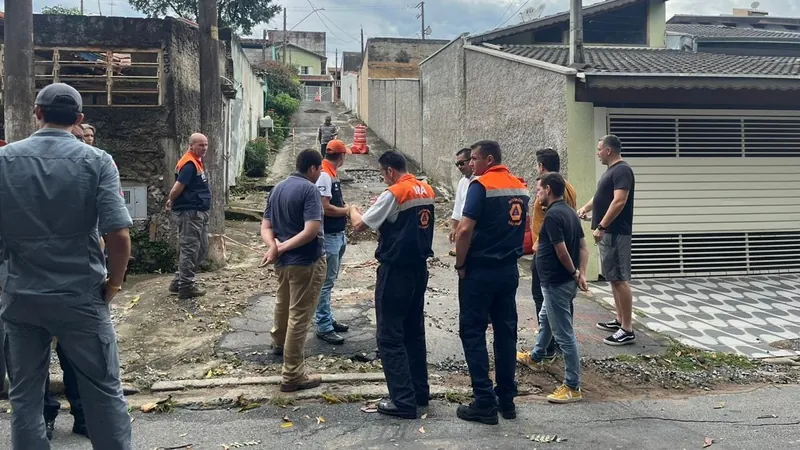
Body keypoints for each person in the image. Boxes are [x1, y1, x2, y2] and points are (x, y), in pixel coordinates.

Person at [0, 82, 133, 449]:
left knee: (25, 397)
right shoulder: (97, 161)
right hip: (81, 296)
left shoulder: (5, 160)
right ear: (78, 119)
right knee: (104, 392)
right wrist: (115, 284)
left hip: (21, 297)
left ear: (37, 113)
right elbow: (119, 236)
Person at [349, 151, 434, 420]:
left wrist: (352, 209)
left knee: (389, 336)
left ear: (388, 171)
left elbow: (360, 225)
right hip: (419, 268)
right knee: (413, 332)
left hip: (396, 270)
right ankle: (420, 392)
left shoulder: (395, 193)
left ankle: (403, 400)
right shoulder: (426, 189)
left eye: (382, 174)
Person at [453, 140, 530, 425]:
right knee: (506, 333)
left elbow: (464, 230)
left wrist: (461, 264)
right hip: (508, 271)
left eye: (473, 159)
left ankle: (484, 401)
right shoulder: (520, 187)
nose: (470, 164)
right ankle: (506, 400)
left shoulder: (481, 186)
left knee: (472, 332)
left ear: (488, 158)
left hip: (480, 271)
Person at [261, 149, 327, 392]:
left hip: (283, 262)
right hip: (306, 261)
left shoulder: (277, 188)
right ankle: (292, 374)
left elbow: (266, 225)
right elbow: (311, 230)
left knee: (283, 302)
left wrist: (274, 247)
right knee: (300, 314)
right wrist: (280, 248)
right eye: (319, 169)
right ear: (312, 168)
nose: (320, 174)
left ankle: (279, 343)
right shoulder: (309, 190)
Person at [529, 173, 589, 403]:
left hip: (556, 282)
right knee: (545, 318)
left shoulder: (553, 215)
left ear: (547, 189)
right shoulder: (570, 212)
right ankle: (536, 356)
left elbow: (561, 250)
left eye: (538, 190)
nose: (537, 194)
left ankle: (573, 386)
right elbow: (583, 246)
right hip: (561, 282)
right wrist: (581, 273)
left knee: (564, 335)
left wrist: (575, 272)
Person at [517, 148, 577, 367]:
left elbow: (548, 227)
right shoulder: (568, 188)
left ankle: (551, 349)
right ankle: (546, 349)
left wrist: (538, 247)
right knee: (558, 304)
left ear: (541, 166)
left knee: (542, 298)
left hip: (547, 255)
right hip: (564, 252)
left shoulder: (547, 196)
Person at [578, 135, 636, 346]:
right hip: (609, 233)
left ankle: (627, 329)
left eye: (600, 148)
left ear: (609, 150)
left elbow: (619, 201)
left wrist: (602, 226)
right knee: (613, 277)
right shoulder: (611, 171)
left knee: (620, 279)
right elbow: (601, 197)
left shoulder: (622, 170)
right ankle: (620, 319)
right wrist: (586, 208)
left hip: (616, 232)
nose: (598, 152)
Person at [314, 139, 353, 345]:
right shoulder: (324, 175)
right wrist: (348, 211)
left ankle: (327, 318)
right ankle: (323, 325)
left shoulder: (330, 173)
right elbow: (325, 207)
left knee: (329, 281)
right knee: (325, 283)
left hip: (337, 234)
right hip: (328, 236)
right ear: (341, 156)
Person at [167, 134, 211, 300]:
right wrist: (171, 200)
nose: (204, 148)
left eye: (206, 145)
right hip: (190, 214)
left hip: (198, 212)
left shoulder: (196, 161)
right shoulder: (190, 164)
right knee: (190, 249)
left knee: (201, 248)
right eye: (201, 145)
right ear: (191, 145)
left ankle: (178, 281)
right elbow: (177, 187)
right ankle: (186, 287)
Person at [448, 147, 476, 257]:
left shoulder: (480, 182)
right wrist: (454, 228)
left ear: (471, 161)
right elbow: (458, 207)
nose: (459, 167)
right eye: (457, 164)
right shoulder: (462, 182)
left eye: (461, 163)